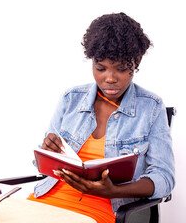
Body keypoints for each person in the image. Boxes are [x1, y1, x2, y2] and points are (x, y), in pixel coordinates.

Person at [27, 12, 175, 223]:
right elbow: (40, 164)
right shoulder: (71, 99)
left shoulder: (151, 108)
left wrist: (113, 191)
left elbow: (164, 178)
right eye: (100, 68)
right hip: (46, 202)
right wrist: (47, 150)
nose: (110, 78)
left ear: (137, 61)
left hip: (99, 212)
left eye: (121, 69)